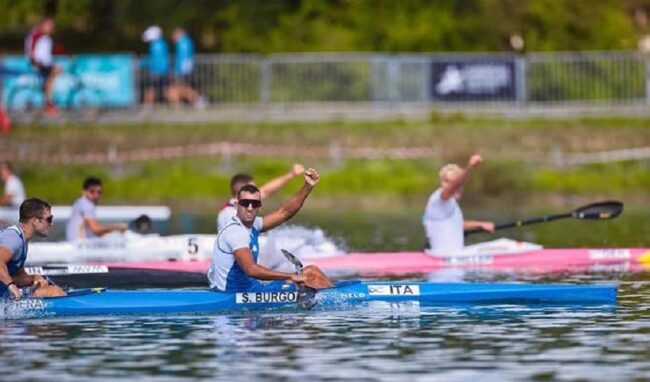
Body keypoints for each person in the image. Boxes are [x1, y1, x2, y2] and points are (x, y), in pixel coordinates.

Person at [208, 168, 333, 292]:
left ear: (259, 208)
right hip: (237, 294)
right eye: (245, 203)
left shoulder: (254, 224)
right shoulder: (236, 231)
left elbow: (285, 212)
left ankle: (334, 296)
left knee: (311, 271)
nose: (250, 208)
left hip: (251, 289)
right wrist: (290, 276)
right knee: (312, 274)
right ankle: (338, 298)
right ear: (236, 204)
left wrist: (307, 186)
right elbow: (250, 269)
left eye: (255, 204)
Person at [423, 154, 495, 254]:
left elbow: (458, 224)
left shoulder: (450, 204)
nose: (452, 186)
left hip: (453, 255)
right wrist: (470, 167)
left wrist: (481, 224)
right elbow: (455, 186)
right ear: (441, 183)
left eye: (454, 182)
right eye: (447, 181)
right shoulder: (439, 198)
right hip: (444, 258)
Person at [0, 198, 66, 299]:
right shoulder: (14, 238)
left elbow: (16, 277)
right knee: (56, 292)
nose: (51, 224)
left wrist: (33, 279)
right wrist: (11, 286)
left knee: (53, 290)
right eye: (49, 219)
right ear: (35, 221)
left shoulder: (21, 239)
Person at [217, 164, 305, 232]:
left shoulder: (245, 205)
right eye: (253, 189)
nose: (257, 192)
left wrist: (291, 174)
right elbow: (284, 213)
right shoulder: (229, 214)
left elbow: (266, 191)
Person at [65, 176, 128, 241]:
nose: (96, 195)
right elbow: (95, 229)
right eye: (92, 191)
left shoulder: (80, 202)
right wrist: (116, 227)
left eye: (99, 192)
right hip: (79, 245)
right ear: (83, 192)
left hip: (78, 244)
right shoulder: (86, 203)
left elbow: (98, 229)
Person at [25, 17, 62, 116]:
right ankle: (48, 103)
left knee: (55, 73)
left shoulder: (46, 37)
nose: (51, 28)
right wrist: (34, 62)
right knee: (55, 71)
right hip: (39, 63)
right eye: (49, 25)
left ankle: (47, 97)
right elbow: (30, 49)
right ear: (44, 25)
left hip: (45, 64)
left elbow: (53, 50)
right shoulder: (37, 35)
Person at [168, 27, 205, 108]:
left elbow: (183, 58)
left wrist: (178, 70)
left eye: (174, 35)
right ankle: (195, 100)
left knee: (182, 87)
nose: (173, 37)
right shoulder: (183, 42)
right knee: (179, 88)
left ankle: (199, 100)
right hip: (183, 69)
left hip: (183, 70)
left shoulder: (184, 42)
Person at [140, 25, 170, 107]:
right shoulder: (159, 44)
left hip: (157, 71)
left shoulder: (157, 45)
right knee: (163, 90)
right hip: (159, 71)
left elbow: (158, 59)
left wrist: (158, 71)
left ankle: (147, 109)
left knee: (151, 90)